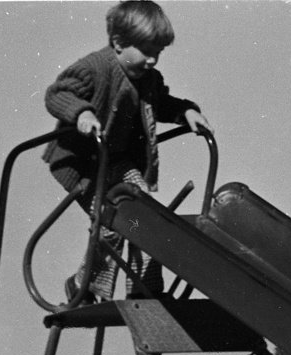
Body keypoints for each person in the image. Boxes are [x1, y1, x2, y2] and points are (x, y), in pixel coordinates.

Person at [43, 0, 212, 303]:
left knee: (143, 215)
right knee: (113, 222)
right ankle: (84, 285)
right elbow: (58, 93)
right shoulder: (95, 68)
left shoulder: (148, 79)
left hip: (117, 163)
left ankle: (145, 287)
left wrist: (186, 111)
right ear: (119, 43)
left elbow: (163, 102)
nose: (152, 60)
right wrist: (81, 114)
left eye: (158, 53)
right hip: (82, 165)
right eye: (146, 51)